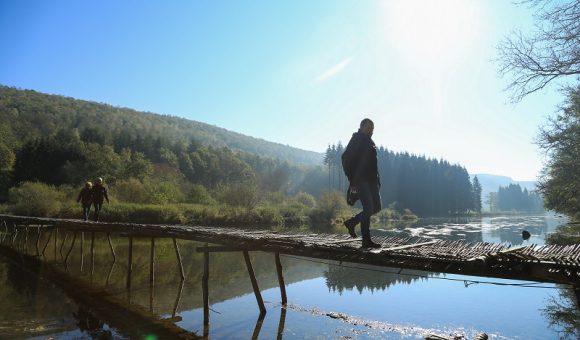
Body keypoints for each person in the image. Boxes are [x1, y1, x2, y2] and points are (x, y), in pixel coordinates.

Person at [342, 118, 382, 248]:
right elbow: (346, 160)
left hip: (371, 180)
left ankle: (352, 222)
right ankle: (366, 240)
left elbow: (374, 164)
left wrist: (377, 180)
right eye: (370, 128)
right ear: (362, 127)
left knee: (376, 208)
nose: (372, 131)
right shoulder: (356, 140)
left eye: (373, 129)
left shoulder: (370, 141)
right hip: (360, 180)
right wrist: (352, 181)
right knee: (368, 208)